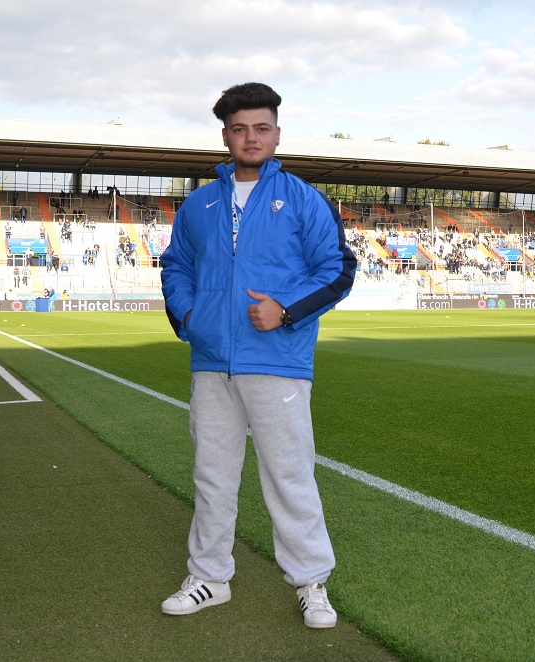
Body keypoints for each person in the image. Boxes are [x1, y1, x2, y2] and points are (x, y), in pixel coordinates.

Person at [159, 82, 356, 629]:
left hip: (278, 360)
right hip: (212, 362)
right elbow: (175, 266)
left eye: (261, 128)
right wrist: (190, 319)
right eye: (240, 128)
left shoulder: (300, 197)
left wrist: (286, 310)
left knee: (289, 475)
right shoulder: (200, 203)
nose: (251, 137)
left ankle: (311, 582)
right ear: (225, 134)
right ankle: (209, 578)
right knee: (212, 475)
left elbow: (339, 269)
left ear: (276, 132)